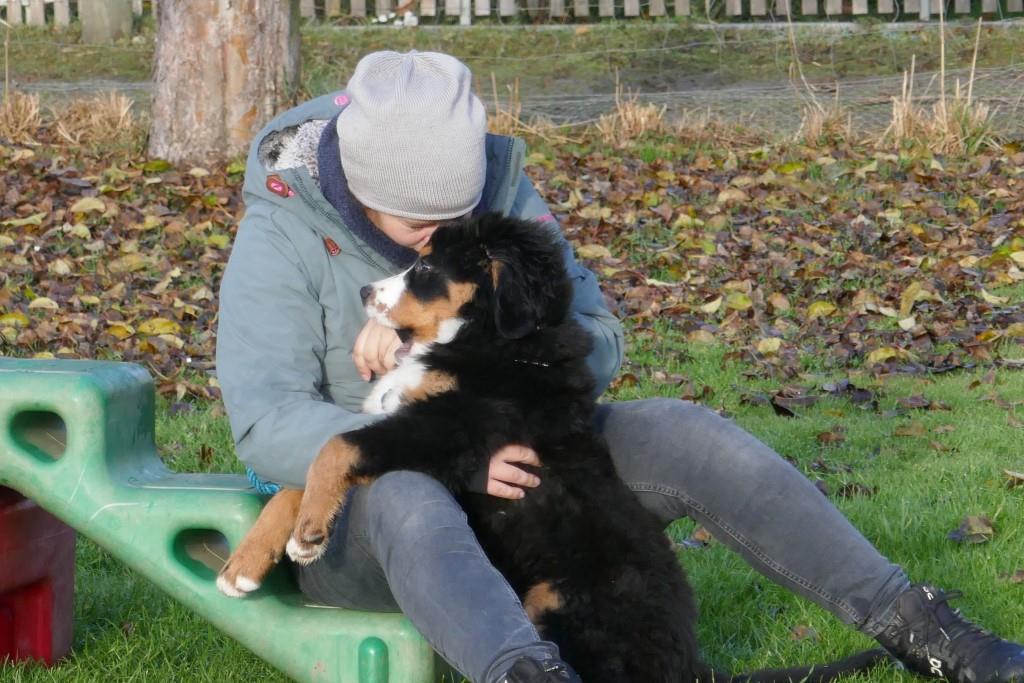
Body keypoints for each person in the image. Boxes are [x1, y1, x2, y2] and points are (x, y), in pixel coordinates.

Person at [215, 50, 1024, 683]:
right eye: (419, 220)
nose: (439, 234)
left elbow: (596, 333)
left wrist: (485, 367)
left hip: (530, 476)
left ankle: (923, 629)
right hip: (362, 519)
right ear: (358, 186)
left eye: (455, 217)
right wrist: (450, 437)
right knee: (407, 496)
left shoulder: (496, 189)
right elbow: (264, 417)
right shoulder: (283, 230)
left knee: (675, 428)